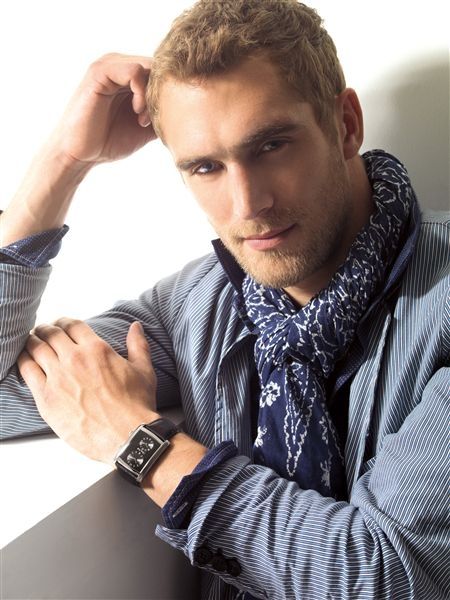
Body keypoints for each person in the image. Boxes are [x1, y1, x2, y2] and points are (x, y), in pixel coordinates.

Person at [0, 0, 448, 598]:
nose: (246, 205)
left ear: (345, 124)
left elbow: (388, 577)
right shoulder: (199, 303)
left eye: (271, 146)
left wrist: (138, 440)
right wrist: (62, 162)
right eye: (205, 167)